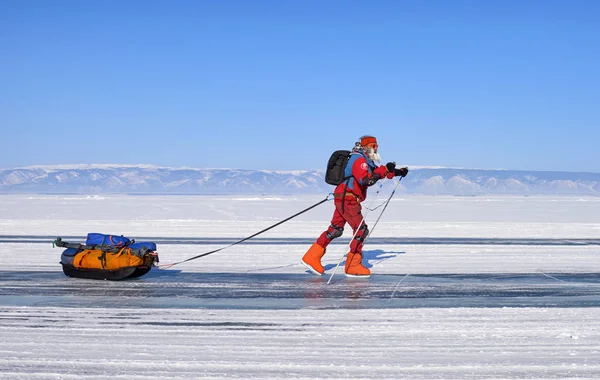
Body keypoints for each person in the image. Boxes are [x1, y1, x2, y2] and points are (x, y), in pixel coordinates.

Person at [301, 135, 408, 277]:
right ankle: (353, 265)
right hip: (348, 199)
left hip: (344, 198)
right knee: (361, 230)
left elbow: (376, 173)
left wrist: (396, 172)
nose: (376, 148)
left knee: (335, 229)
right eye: (373, 146)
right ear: (365, 146)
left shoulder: (364, 160)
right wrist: (383, 171)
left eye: (376, 145)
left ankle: (311, 257)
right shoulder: (359, 160)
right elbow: (366, 180)